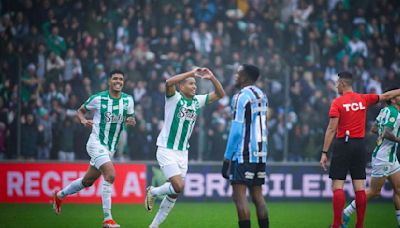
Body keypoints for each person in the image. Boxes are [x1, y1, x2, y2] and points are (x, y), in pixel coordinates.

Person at [52, 70, 136, 228]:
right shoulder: (98, 98)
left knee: (87, 181)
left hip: (110, 148)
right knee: (110, 175)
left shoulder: (128, 100)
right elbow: (80, 110)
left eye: (121, 79)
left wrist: (131, 121)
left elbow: (129, 118)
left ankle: (60, 195)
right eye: (115, 79)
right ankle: (107, 219)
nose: (118, 81)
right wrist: (83, 120)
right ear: (109, 81)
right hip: (96, 143)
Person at [144, 67, 225, 228]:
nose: (194, 86)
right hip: (166, 149)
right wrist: (191, 73)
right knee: (178, 186)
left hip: (183, 152)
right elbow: (168, 82)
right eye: (190, 83)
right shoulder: (173, 98)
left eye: (195, 84)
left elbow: (220, 94)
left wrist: (212, 78)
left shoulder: (197, 101)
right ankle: (152, 192)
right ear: (181, 87)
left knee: (175, 193)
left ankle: (153, 226)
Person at [319, 71, 400, 228]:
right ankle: (360, 225)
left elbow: (331, 129)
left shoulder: (338, 102)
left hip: (343, 144)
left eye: (337, 83)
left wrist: (324, 153)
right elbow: (384, 96)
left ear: (342, 84)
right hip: (359, 146)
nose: (336, 86)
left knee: (337, 186)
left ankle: (337, 225)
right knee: (360, 188)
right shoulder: (363, 99)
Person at [342, 89, 400, 228]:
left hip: (391, 158)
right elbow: (386, 131)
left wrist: (382, 134)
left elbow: (374, 129)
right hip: (384, 157)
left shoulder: (385, 111)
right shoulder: (393, 112)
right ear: (393, 99)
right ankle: (346, 212)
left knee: (398, 189)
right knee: (374, 191)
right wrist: (398, 139)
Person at [221, 64, 269, 228]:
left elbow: (235, 131)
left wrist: (227, 158)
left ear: (245, 77)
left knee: (239, 196)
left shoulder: (240, 97)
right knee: (258, 196)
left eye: (238, 74)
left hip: (244, 152)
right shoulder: (262, 95)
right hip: (261, 151)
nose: (235, 76)